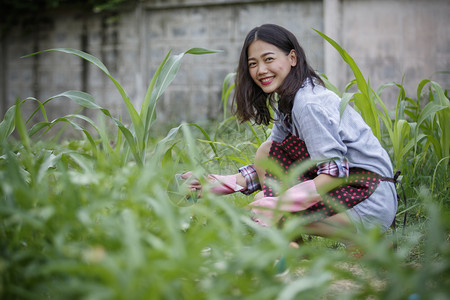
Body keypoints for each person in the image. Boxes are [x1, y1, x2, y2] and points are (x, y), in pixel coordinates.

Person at [182, 24, 398, 241]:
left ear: (292, 58)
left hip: (370, 199)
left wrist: (280, 204)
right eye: (253, 64)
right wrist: (218, 184)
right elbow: (267, 164)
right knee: (266, 157)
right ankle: (294, 245)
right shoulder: (290, 102)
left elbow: (334, 174)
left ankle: (369, 240)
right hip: (352, 189)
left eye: (269, 59)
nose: (261, 70)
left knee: (267, 204)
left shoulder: (308, 104)